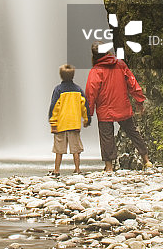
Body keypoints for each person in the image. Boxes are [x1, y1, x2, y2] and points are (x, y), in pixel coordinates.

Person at [85, 42, 152, 172]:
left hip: (105, 109)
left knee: (106, 138)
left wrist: (89, 112)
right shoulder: (120, 65)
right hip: (122, 106)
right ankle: (146, 160)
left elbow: (90, 92)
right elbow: (132, 83)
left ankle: (109, 167)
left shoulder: (96, 71)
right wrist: (139, 100)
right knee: (133, 133)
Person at [48, 63, 91, 175]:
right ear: (73, 75)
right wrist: (86, 120)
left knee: (59, 150)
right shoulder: (78, 90)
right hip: (74, 124)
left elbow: (54, 107)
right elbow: (84, 106)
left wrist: (53, 122)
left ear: (61, 76)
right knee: (76, 149)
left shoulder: (58, 90)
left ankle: (57, 170)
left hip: (61, 124)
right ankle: (77, 169)